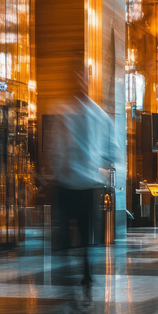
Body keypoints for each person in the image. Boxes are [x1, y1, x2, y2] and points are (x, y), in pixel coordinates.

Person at [48, 78, 118, 286]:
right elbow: (56, 145)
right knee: (71, 229)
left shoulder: (95, 115)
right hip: (70, 181)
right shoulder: (67, 111)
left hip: (83, 182)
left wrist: (105, 165)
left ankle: (82, 271)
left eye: (82, 79)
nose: (79, 83)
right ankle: (75, 270)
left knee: (80, 230)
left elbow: (110, 146)